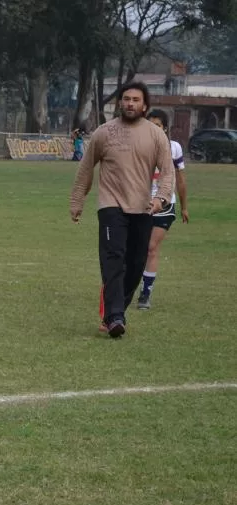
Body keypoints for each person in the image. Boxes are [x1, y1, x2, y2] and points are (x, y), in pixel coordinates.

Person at [69, 81, 173, 338]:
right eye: (126, 99)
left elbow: (167, 171)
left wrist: (161, 198)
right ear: (120, 103)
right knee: (113, 259)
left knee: (136, 264)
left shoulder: (155, 135)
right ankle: (116, 317)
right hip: (111, 205)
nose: (130, 103)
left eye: (135, 100)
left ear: (145, 105)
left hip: (143, 208)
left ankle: (115, 312)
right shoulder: (104, 133)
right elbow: (85, 168)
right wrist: (77, 200)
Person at [136, 109, 190, 310]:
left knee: (151, 248)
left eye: (157, 125)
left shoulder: (173, 148)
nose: (153, 129)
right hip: (139, 204)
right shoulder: (139, 145)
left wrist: (184, 206)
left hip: (165, 205)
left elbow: (181, 179)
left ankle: (145, 293)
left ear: (164, 128)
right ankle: (129, 286)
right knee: (136, 249)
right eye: (150, 125)